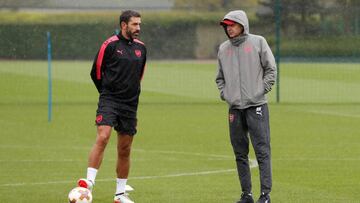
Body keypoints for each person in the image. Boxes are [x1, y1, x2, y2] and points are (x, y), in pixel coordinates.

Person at [76, 10, 146, 203]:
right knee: (103, 135)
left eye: (139, 24)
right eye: (134, 24)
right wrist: (107, 93)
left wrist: (129, 94)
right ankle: (89, 182)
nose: (138, 28)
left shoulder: (142, 48)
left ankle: (120, 195)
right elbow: (95, 72)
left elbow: (139, 76)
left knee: (125, 149)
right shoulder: (109, 45)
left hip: (130, 104)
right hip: (109, 100)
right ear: (124, 25)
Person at [216, 10, 276, 203]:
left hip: (256, 106)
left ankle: (265, 195)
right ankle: (246, 195)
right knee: (240, 153)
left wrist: (260, 90)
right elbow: (220, 78)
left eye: (232, 24)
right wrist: (227, 95)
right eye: (226, 25)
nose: (229, 28)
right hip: (234, 109)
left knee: (262, 151)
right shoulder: (223, 49)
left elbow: (271, 69)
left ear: (242, 24)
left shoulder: (258, 42)